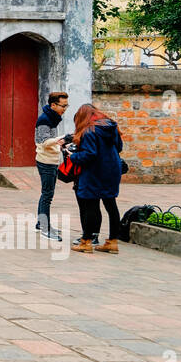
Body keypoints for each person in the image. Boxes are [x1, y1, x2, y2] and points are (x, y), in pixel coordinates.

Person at [69, 103, 125, 254]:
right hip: (112, 169)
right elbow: (119, 147)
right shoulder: (111, 127)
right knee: (111, 205)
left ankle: (86, 241)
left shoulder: (89, 131)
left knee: (90, 205)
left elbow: (89, 154)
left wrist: (73, 156)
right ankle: (113, 241)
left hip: (94, 171)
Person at [34, 92, 69, 242]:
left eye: (66, 105)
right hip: (46, 161)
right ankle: (45, 227)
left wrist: (62, 146)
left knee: (47, 194)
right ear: (53, 105)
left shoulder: (53, 118)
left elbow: (52, 142)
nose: (65, 109)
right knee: (47, 195)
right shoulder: (45, 119)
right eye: (63, 105)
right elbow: (43, 141)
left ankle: (40, 222)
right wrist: (61, 139)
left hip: (52, 159)